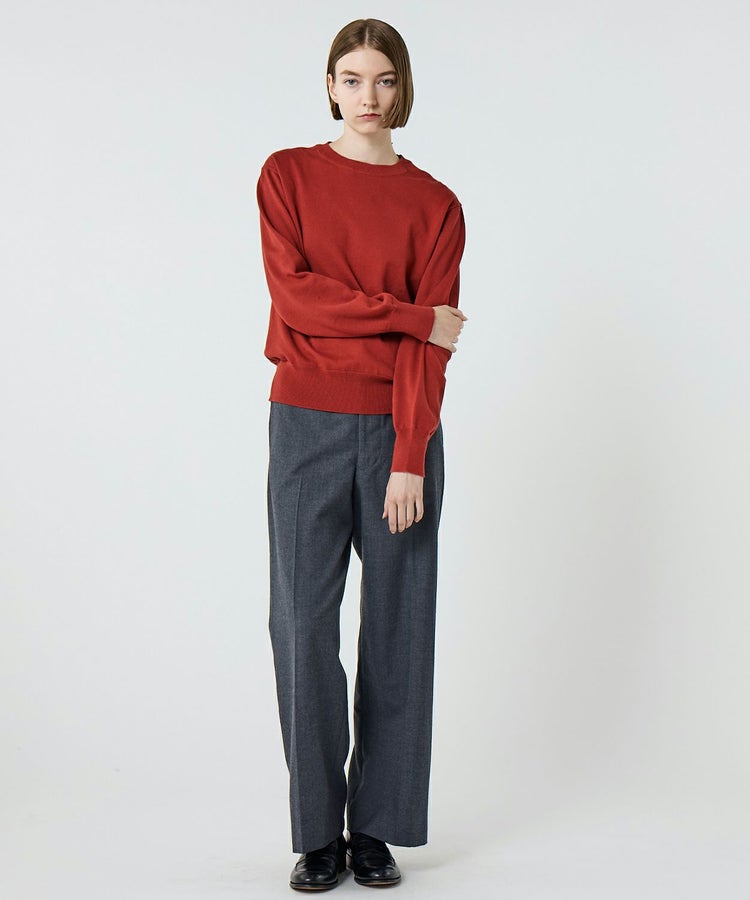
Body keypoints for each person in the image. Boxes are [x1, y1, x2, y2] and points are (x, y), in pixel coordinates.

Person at [256, 17, 467, 892]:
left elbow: (430, 355)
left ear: (403, 87)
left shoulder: (436, 205)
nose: (368, 96)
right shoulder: (287, 176)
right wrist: (412, 314)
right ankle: (318, 833)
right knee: (301, 625)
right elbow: (298, 300)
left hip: (398, 432)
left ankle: (375, 828)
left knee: (399, 629)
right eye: (352, 78)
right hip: (304, 422)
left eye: (384, 80)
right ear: (330, 86)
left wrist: (410, 452)